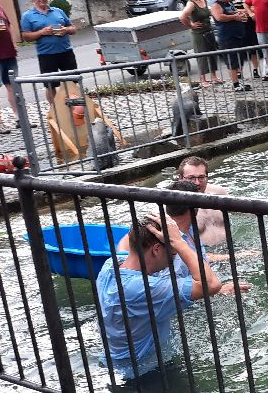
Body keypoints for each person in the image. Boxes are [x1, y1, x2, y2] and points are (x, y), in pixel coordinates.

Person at [97, 213, 222, 379]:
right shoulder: (143, 289)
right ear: (156, 250)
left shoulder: (110, 266)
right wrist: (179, 242)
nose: (174, 256)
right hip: (147, 374)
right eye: (172, 252)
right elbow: (211, 284)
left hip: (116, 365)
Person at [118, 180, 246, 295]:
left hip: (198, 286)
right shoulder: (160, 234)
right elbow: (164, 290)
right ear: (196, 208)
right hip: (182, 297)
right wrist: (216, 291)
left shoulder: (191, 228)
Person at [20, 0, 77, 103]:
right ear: (33, 0)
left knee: (72, 82)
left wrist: (65, 30)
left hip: (66, 51)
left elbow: (73, 28)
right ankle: (54, 109)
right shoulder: (27, 16)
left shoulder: (58, 11)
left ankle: (74, 107)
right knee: (50, 85)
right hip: (46, 55)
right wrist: (41, 32)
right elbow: (26, 37)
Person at [0, 0, 31, 134]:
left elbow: (9, 25)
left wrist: (14, 43)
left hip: (8, 53)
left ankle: (19, 118)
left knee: (13, 86)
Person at [175, 156, 230, 246]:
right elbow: (182, 247)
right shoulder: (176, 207)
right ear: (180, 178)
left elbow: (242, 211)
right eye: (191, 178)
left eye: (201, 177)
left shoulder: (218, 192)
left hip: (231, 244)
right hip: (204, 252)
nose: (197, 182)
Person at [209, 0, 252, 92]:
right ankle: (235, 84)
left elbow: (234, 12)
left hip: (237, 36)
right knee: (232, 61)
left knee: (239, 59)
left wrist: (241, 13)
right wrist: (235, 17)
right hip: (227, 38)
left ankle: (239, 82)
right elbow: (219, 17)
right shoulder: (216, 5)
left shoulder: (229, 3)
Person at [179, 0, 222, 86]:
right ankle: (203, 80)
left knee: (212, 53)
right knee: (202, 56)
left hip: (209, 31)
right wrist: (191, 25)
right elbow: (182, 17)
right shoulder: (191, 3)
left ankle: (214, 76)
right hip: (199, 34)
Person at [231, 0, 262, 80]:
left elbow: (254, 8)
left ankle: (255, 70)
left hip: (250, 25)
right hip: (238, 26)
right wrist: (246, 10)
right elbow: (232, 10)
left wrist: (241, 10)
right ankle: (240, 71)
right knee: (240, 50)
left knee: (253, 49)